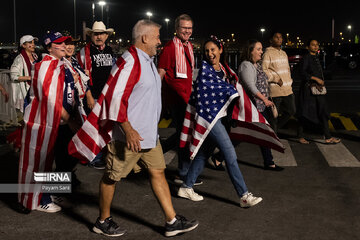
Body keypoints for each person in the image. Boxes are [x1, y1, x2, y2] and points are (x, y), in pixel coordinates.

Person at [68, 19, 198, 237]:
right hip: (128, 137)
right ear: (145, 38)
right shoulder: (130, 61)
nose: (160, 41)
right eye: (157, 37)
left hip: (148, 135)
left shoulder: (146, 60)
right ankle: (102, 221)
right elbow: (115, 97)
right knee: (111, 176)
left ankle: (172, 220)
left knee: (158, 173)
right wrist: (127, 129)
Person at [177, 37, 263, 207]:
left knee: (204, 152)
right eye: (207, 51)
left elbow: (233, 84)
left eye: (213, 50)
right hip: (210, 117)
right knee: (230, 154)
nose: (210, 54)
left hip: (220, 116)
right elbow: (213, 92)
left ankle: (186, 187)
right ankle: (244, 195)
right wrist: (231, 90)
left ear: (220, 50)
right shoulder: (205, 70)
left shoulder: (224, 69)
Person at [18, 31, 73, 213]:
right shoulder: (46, 65)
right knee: (40, 162)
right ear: (49, 47)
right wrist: (71, 120)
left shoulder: (59, 63)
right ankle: (38, 199)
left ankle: (47, 193)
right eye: (60, 43)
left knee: (57, 160)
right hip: (43, 121)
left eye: (65, 42)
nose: (65, 46)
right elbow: (50, 100)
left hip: (55, 122)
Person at [157, 14, 202, 185]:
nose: (187, 31)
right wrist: (158, 99)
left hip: (187, 98)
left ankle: (157, 151)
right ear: (176, 29)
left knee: (184, 134)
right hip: (175, 100)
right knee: (185, 135)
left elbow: (189, 76)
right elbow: (160, 72)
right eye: (184, 28)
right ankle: (183, 173)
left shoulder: (188, 46)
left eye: (189, 28)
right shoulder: (170, 47)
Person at [238, 39, 284, 171]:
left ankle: (269, 162)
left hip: (258, 106)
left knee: (249, 133)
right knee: (260, 133)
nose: (261, 51)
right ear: (250, 51)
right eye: (258, 49)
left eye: (261, 49)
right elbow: (250, 86)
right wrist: (264, 99)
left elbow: (263, 79)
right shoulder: (246, 65)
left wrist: (275, 80)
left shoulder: (255, 65)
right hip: (253, 106)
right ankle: (269, 162)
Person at [77, 21, 115, 169]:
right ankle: (94, 158)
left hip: (106, 95)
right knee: (92, 126)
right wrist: (89, 96)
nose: (99, 37)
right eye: (96, 34)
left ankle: (104, 155)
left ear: (106, 36)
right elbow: (81, 76)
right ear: (91, 36)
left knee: (105, 125)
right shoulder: (84, 52)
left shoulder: (110, 51)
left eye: (101, 34)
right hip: (93, 95)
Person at [54, 36, 89, 192]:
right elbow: (51, 97)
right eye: (63, 44)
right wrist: (69, 119)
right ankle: (54, 188)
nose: (67, 47)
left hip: (72, 110)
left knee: (68, 149)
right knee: (59, 152)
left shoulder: (72, 62)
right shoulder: (50, 65)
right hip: (58, 116)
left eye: (70, 44)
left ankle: (64, 181)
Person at [297, 39, 340, 144]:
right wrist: (316, 79)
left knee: (323, 111)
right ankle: (300, 136)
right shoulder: (306, 58)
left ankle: (328, 137)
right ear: (308, 47)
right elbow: (302, 73)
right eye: (313, 45)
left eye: (317, 45)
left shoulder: (316, 58)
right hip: (308, 90)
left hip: (317, 90)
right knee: (305, 112)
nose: (316, 47)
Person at [262, 31, 296, 133]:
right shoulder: (267, 53)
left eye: (281, 37)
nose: (279, 39)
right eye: (276, 37)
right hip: (275, 90)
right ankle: (274, 137)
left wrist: (289, 81)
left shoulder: (284, 53)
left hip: (287, 89)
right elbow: (264, 71)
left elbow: (287, 70)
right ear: (271, 40)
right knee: (274, 117)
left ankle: (272, 130)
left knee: (291, 111)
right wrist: (276, 79)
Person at [10, 35, 38, 114]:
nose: (33, 44)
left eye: (33, 42)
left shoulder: (35, 56)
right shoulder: (19, 59)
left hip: (34, 90)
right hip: (25, 92)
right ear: (23, 45)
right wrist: (30, 78)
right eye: (30, 42)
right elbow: (13, 76)